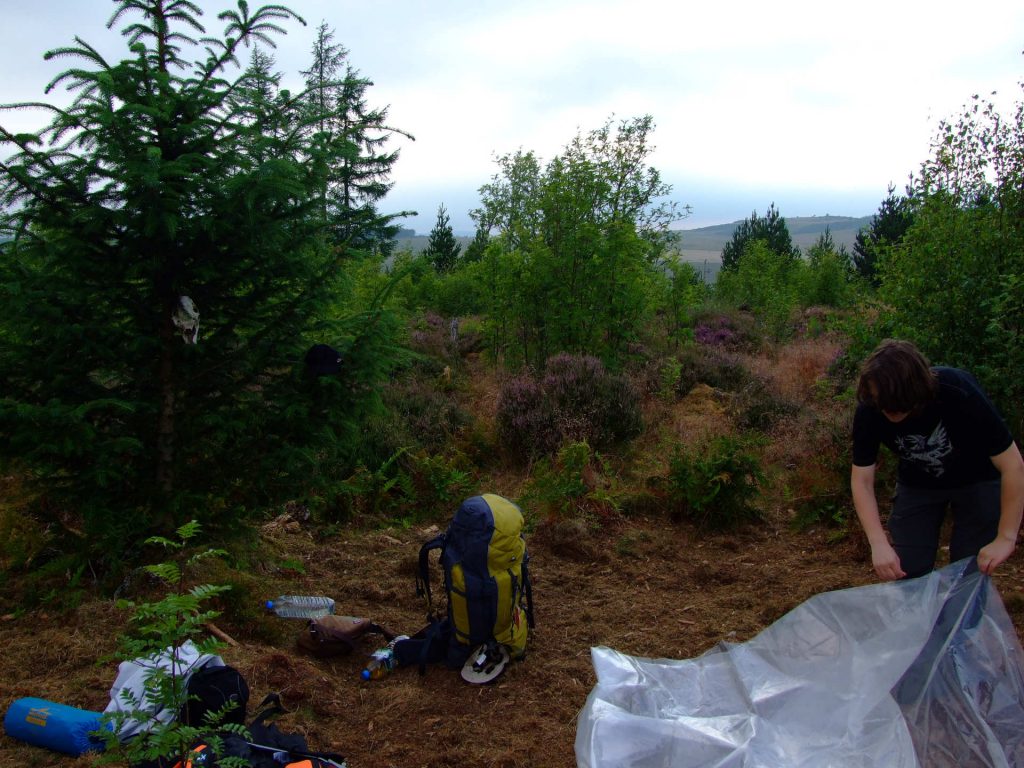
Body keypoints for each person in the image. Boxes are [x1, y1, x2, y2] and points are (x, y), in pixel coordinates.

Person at [850, 339, 1024, 580]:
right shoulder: (871, 408)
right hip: (918, 484)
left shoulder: (958, 391)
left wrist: (1006, 537)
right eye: (881, 404)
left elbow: (1013, 464)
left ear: (917, 392)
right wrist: (878, 543)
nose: (887, 411)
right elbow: (861, 480)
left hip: (978, 480)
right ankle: (916, 617)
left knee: (968, 572)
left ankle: (963, 615)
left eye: (895, 405)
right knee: (904, 569)